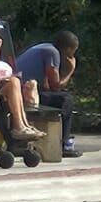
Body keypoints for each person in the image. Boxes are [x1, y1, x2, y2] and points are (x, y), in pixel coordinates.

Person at [15, 30, 81, 158]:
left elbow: (47, 85)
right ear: (67, 49)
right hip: (25, 92)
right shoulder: (52, 53)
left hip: (22, 89)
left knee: (62, 97)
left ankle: (58, 137)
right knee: (66, 100)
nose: (73, 54)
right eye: (74, 50)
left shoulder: (44, 47)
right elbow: (56, 86)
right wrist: (70, 70)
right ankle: (63, 144)